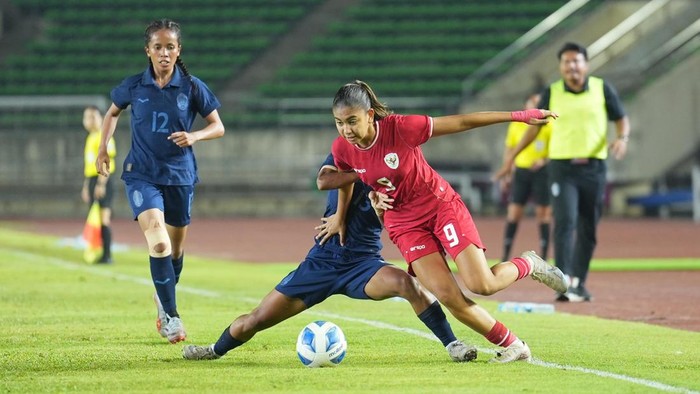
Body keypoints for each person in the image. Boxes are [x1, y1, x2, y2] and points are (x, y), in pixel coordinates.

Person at [329, 80, 568, 363]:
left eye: (352, 121)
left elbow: (463, 121)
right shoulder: (343, 147)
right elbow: (346, 177)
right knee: (449, 296)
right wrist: (345, 211)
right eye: (339, 123)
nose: (346, 130)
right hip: (404, 224)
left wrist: (518, 116)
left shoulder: (402, 128)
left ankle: (530, 263)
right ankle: (514, 345)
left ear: (370, 115)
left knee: (483, 285)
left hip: (439, 206)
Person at [182, 154, 477, 363]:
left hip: (363, 264)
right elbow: (325, 180)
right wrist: (339, 215)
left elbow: (394, 218)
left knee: (408, 285)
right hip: (323, 261)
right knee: (256, 320)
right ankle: (214, 350)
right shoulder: (343, 153)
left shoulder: (394, 172)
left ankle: (452, 343)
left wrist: (380, 209)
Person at [96, 19, 225, 343]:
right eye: (158, 47)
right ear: (148, 51)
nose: (164, 53)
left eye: (170, 47)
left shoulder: (193, 87)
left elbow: (218, 126)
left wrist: (195, 135)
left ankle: (162, 296)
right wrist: (102, 149)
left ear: (178, 50)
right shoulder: (134, 86)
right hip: (141, 173)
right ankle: (172, 318)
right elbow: (112, 113)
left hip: (180, 176)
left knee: (176, 251)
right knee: (159, 242)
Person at [497, 42, 630, 302]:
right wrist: (512, 158)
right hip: (562, 168)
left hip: (594, 166)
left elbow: (620, 117)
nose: (572, 66)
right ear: (560, 67)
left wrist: (622, 138)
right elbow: (534, 127)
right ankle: (565, 281)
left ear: (586, 64)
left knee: (588, 225)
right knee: (565, 220)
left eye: (576, 61)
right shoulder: (552, 92)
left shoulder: (603, 89)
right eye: (566, 62)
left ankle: (580, 282)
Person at [499, 94, 552, 263]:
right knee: (514, 214)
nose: (536, 105)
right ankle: (505, 255)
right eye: (533, 102)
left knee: (543, 215)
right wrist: (506, 172)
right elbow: (509, 149)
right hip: (521, 172)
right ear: (526, 104)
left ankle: (544, 256)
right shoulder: (516, 126)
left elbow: (556, 150)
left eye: (539, 103)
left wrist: (544, 160)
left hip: (542, 173)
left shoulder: (548, 125)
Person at [81, 105, 116, 264]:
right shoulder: (90, 137)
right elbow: (89, 166)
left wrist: (101, 184)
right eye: (87, 117)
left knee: (103, 219)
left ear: (101, 118)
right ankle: (99, 251)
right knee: (94, 217)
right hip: (92, 180)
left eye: (93, 117)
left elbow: (107, 163)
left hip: (103, 180)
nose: (90, 120)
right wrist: (86, 186)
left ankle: (107, 255)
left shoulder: (104, 136)